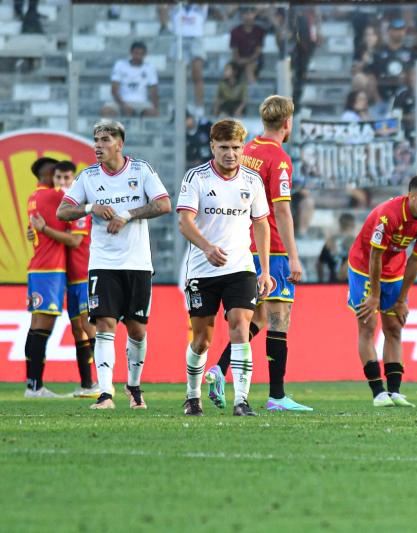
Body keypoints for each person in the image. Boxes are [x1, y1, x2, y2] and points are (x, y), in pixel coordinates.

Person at [205, 96, 312, 412]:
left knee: (257, 317)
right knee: (280, 318)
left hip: (240, 244)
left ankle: (218, 368)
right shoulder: (278, 158)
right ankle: (277, 396)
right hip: (272, 248)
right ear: (288, 123)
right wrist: (293, 256)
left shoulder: (247, 150)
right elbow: (281, 211)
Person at [57, 120, 172, 410]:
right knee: (104, 324)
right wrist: (89, 207)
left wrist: (127, 214)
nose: (99, 145)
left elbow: (163, 204)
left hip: (137, 263)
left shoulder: (140, 170)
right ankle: (105, 393)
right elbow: (62, 211)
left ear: (119, 144)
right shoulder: (88, 177)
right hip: (103, 263)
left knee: (137, 330)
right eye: (96, 140)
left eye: (105, 140)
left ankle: (133, 386)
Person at [177, 119, 272, 416]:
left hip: (239, 268)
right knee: (202, 338)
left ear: (242, 148)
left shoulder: (252, 181)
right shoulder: (196, 178)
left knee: (241, 326)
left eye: (235, 147)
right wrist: (206, 248)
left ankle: (241, 400)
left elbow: (261, 224)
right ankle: (192, 397)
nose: (230, 154)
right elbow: (184, 222)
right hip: (202, 269)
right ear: (212, 147)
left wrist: (265, 270)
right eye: (224, 148)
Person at [347, 175, 417, 407]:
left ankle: (394, 392)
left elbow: (416, 260)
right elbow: (375, 256)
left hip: (395, 270)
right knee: (368, 326)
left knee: (394, 329)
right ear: (411, 197)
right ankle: (378, 392)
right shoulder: (388, 215)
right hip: (363, 267)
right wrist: (374, 296)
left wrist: (401, 299)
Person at [53, 161, 99, 398]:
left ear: (74, 181)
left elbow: (75, 242)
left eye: (66, 178)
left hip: (83, 275)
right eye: (58, 178)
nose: (62, 183)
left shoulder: (79, 210)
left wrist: (44, 230)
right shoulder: (59, 210)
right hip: (69, 279)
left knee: (89, 327)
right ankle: (87, 384)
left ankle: (104, 381)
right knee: (77, 331)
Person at [23, 157, 67, 397]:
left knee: (35, 326)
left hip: (38, 268)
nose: (61, 179)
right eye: (58, 174)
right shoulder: (52, 196)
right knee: (43, 326)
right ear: (49, 173)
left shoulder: (33, 197)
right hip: (50, 268)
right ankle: (35, 385)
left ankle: (32, 384)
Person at [160, 3, 208, 115]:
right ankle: (179, 105)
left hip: (196, 39)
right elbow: (163, 9)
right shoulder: (176, 7)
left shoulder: (200, 6)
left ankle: (199, 107)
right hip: (179, 40)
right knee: (181, 76)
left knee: (197, 74)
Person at [101, 41, 159, 118]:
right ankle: (115, 130)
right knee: (106, 111)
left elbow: (154, 91)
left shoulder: (149, 68)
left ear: (145, 55)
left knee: (152, 113)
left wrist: (156, 108)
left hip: (141, 102)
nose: (138, 56)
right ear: (131, 53)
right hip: (122, 101)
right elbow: (114, 90)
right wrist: (123, 105)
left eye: (141, 54)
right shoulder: (120, 65)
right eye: (136, 53)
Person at [230, 7, 266, 84]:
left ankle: (253, 92)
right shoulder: (235, 31)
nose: (248, 16)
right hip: (239, 59)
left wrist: (246, 61)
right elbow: (234, 51)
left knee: (248, 68)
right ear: (242, 15)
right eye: (246, 14)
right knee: (229, 71)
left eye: (250, 13)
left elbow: (257, 52)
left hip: (255, 60)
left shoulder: (259, 31)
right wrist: (239, 60)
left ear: (254, 14)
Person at [317, 213, 356, 283]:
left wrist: (321, 280)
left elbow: (320, 264)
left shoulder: (329, 242)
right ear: (353, 225)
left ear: (340, 224)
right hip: (348, 283)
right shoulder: (355, 242)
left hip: (332, 282)